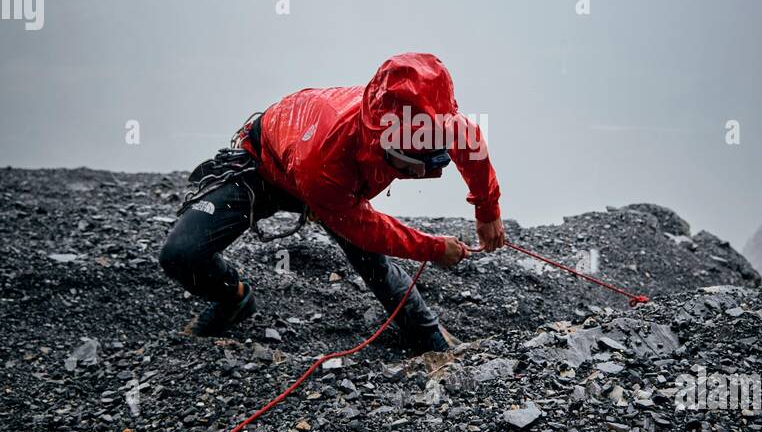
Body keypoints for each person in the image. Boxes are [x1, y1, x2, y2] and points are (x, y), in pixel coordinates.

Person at [159, 52, 505, 351]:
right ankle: (233, 298)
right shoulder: (327, 160)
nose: (424, 174)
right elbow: (367, 231)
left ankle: (430, 340)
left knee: (375, 266)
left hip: (326, 180)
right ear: (385, 146)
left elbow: (470, 145)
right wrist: (432, 248)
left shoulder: (428, 117)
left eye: (438, 155)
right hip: (264, 170)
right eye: (416, 166)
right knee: (180, 255)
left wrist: (487, 211)